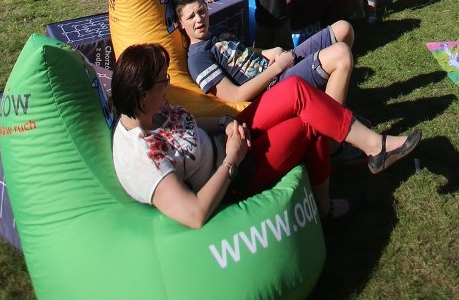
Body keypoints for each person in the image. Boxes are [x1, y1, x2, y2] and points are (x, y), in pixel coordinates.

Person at [111, 42, 422, 226]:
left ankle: (372, 147)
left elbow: (188, 124)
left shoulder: (150, 108)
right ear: (141, 94)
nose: (168, 86)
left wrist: (223, 123)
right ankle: (327, 209)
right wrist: (231, 162)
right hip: (235, 174)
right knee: (307, 125)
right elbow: (194, 214)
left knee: (295, 90)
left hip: (230, 139)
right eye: (162, 82)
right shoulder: (144, 158)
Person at [177, 0, 355, 107]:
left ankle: (332, 101)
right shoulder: (198, 58)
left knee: (343, 29)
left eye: (201, 11)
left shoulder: (217, 31)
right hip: (272, 89)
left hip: (275, 68)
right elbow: (235, 97)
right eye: (191, 17)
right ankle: (334, 140)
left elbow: (244, 54)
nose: (199, 19)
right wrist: (278, 67)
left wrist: (270, 52)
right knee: (341, 54)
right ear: (181, 23)